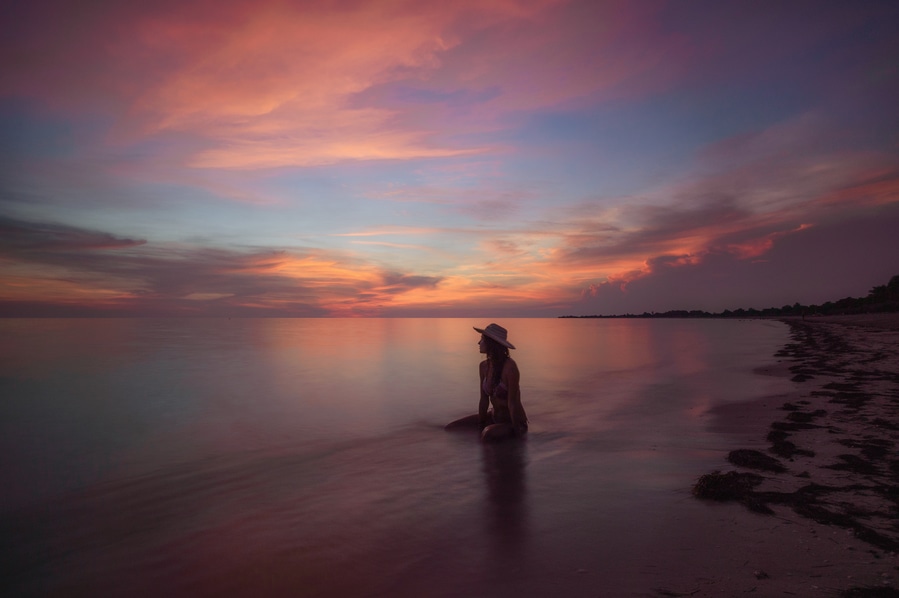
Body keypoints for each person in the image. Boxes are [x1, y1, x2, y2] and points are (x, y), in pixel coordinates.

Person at [445, 323, 528, 441]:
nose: (479, 343)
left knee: (487, 434)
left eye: (482, 340)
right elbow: (484, 401)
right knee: (451, 427)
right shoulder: (483, 367)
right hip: (494, 417)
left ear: (491, 343)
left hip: (514, 422)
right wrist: (480, 424)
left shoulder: (510, 368)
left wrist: (518, 436)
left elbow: (512, 404)